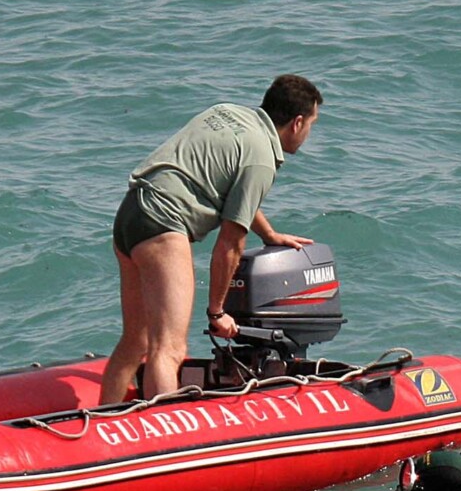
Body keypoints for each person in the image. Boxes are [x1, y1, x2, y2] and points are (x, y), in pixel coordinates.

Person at [99, 74, 323, 405]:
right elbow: (230, 247)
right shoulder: (262, 157)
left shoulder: (230, 113)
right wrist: (217, 312)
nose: (308, 135)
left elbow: (230, 191)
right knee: (169, 348)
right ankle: (167, 445)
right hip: (164, 224)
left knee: (136, 340)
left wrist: (269, 234)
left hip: (132, 214)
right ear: (297, 122)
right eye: (311, 126)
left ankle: (105, 426)